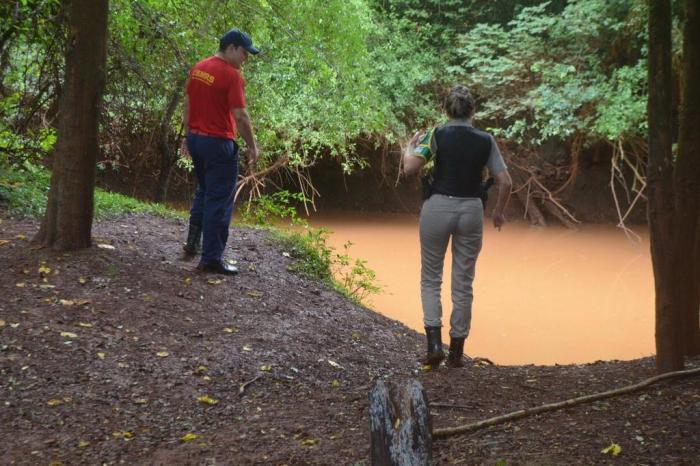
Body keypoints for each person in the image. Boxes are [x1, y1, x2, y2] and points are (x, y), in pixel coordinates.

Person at [403, 85, 512, 368]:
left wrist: (408, 147)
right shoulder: (486, 140)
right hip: (471, 210)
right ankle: (456, 354)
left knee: (431, 278)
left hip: (437, 207)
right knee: (463, 283)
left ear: (446, 111)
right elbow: (505, 181)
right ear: (473, 111)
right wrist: (498, 212)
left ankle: (434, 347)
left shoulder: (435, 135)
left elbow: (410, 169)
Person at [181, 28, 260, 275]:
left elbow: (188, 103)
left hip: (196, 139)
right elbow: (241, 115)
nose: (245, 59)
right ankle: (211, 259)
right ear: (232, 48)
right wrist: (252, 145)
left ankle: (193, 243)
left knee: (205, 191)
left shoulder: (199, 68)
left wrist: (187, 135)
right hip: (218, 144)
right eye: (244, 53)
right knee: (220, 200)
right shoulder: (231, 75)